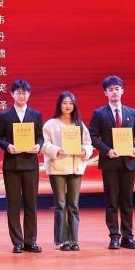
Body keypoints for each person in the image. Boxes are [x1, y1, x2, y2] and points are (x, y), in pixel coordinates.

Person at [88, 75, 135, 249]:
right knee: (111, 202)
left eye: (117, 89)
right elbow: (93, 137)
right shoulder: (99, 113)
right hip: (110, 162)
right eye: (111, 89)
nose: (114, 92)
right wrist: (107, 150)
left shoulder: (132, 112)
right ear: (105, 93)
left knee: (127, 201)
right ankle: (114, 236)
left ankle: (128, 237)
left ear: (122, 91)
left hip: (129, 162)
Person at [41, 91, 93, 251]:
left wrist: (84, 151)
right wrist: (56, 150)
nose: (68, 106)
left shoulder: (79, 124)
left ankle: (74, 239)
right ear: (59, 105)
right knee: (60, 203)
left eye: (70, 103)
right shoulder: (50, 124)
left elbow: (88, 143)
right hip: (57, 167)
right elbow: (44, 144)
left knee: (73, 204)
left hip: (76, 167)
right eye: (64, 103)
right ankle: (62, 240)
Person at [0, 79, 44, 253]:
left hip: (31, 165)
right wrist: (8, 146)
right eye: (18, 93)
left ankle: (30, 241)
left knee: (31, 204)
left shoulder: (36, 114)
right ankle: (17, 242)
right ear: (12, 94)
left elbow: (40, 137)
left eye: (24, 93)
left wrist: (38, 145)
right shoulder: (5, 115)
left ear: (29, 94)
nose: (21, 96)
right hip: (12, 165)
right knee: (13, 204)